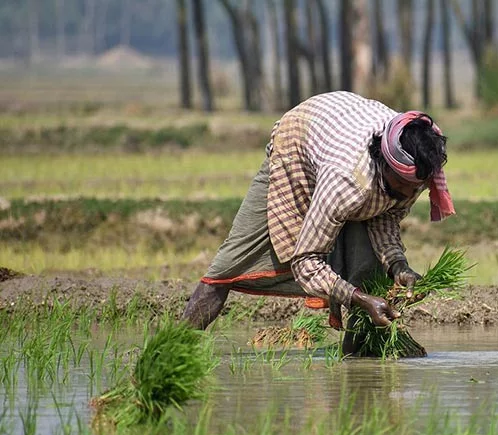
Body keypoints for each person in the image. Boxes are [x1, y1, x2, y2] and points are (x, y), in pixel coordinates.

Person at [180, 91, 454, 342]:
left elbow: (385, 215)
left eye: (415, 188)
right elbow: (306, 262)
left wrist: (398, 266)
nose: (408, 194)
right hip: (298, 142)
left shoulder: (412, 174)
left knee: (369, 268)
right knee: (230, 263)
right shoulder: (346, 181)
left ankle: (360, 361)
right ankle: (175, 347)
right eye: (403, 186)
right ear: (384, 165)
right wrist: (360, 300)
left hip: (339, 130)